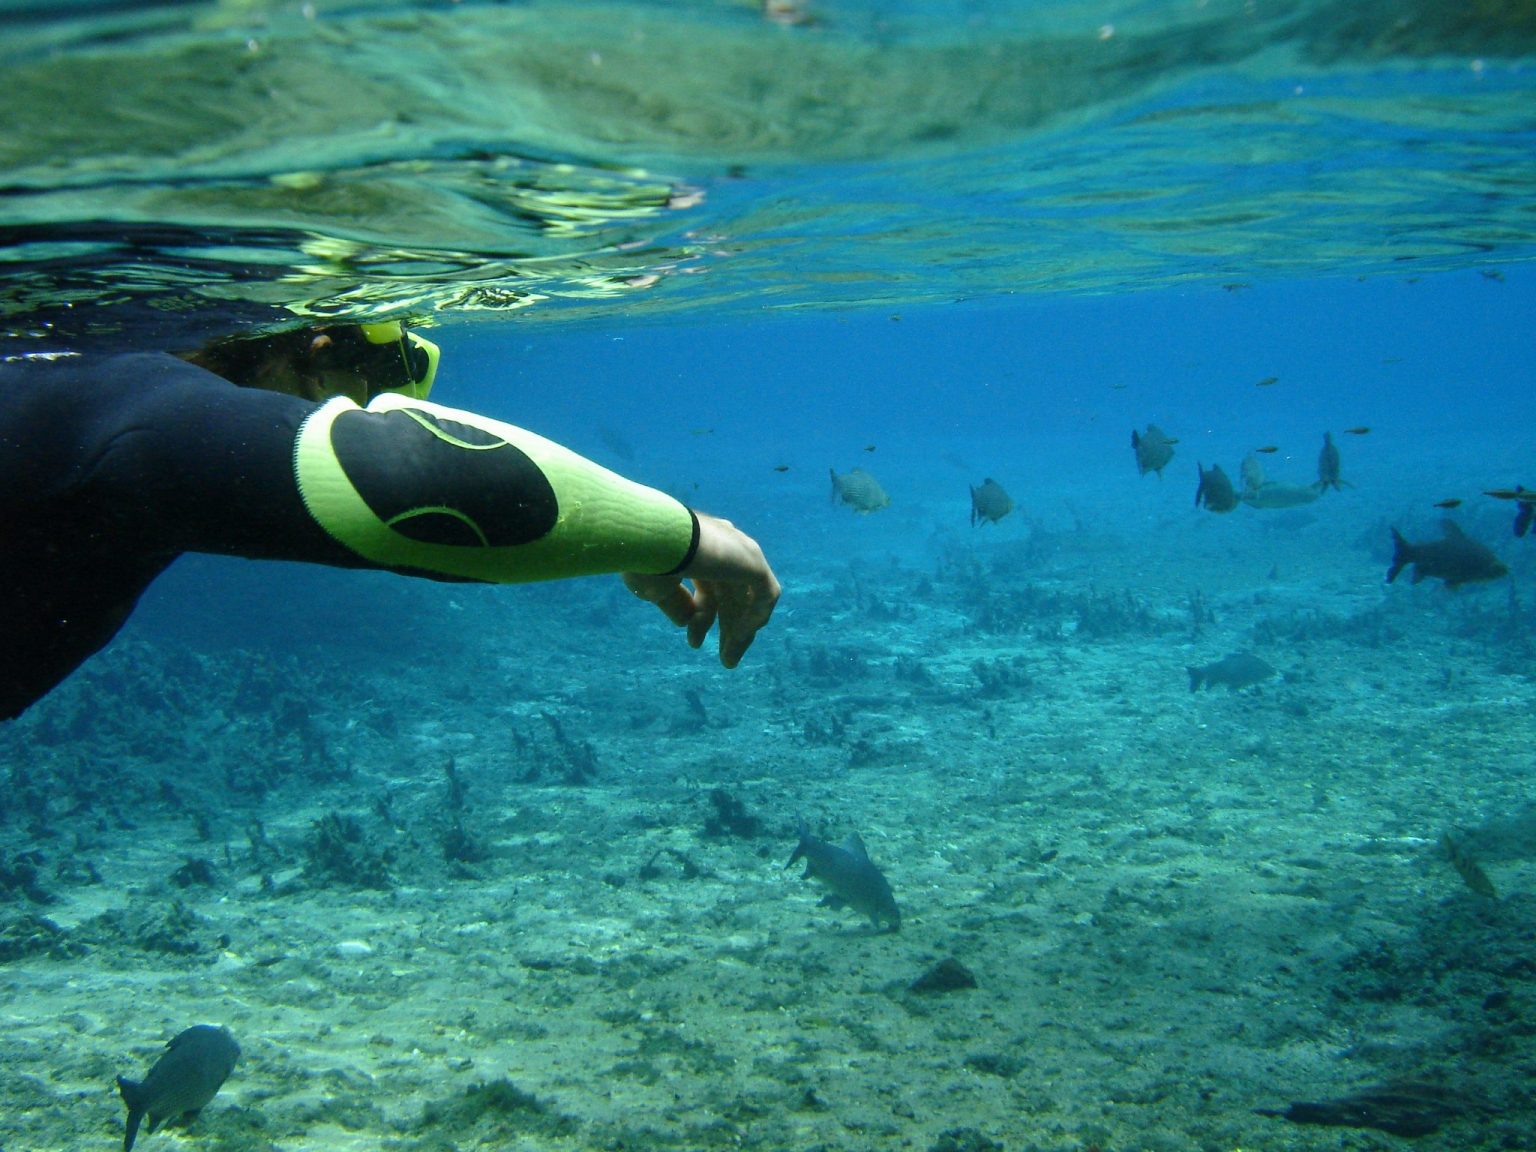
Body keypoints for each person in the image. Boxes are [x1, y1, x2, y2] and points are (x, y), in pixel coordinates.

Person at [0, 321, 780, 721]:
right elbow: (405, 488)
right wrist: (696, 536)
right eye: (369, 375)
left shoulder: (78, 399)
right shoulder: (130, 405)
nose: (363, 403)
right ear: (312, 345)